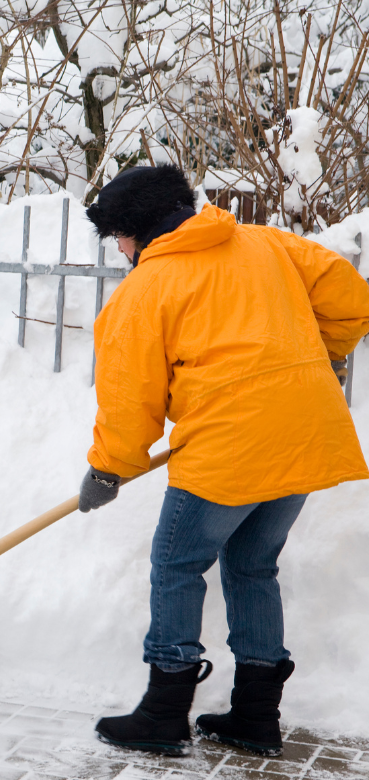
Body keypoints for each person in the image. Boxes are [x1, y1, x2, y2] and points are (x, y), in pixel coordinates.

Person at [78, 165, 369, 757]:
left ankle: (164, 713)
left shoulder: (147, 288)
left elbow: (132, 396)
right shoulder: (266, 243)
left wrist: (109, 468)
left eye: (119, 237)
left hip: (231, 445)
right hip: (303, 434)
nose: (121, 250)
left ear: (137, 230)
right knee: (252, 565)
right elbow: (350, 296)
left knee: (177, 564)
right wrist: (321, 359)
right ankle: (256, 717)